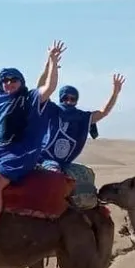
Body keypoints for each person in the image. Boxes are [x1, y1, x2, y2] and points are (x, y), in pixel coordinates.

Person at [0, 39, 61, 248]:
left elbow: (49, 87)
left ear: (21, 81)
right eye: (5, 80)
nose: (8, 83)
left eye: (13, 79)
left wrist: (52, 61)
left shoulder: (31, 98)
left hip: (20, 154)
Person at [36, 61, 126, 208]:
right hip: (46, 158)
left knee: (86, 174)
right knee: (54, 175)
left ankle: (80, 207)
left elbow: (103, 112)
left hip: (65, 162)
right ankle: (49, 207)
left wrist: (115, 92)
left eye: (72, 99)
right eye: (65, 98)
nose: (69, 101)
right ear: (61, 98)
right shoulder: (52, 110)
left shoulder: (82, 117)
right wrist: (48, 67)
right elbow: (40, 90)